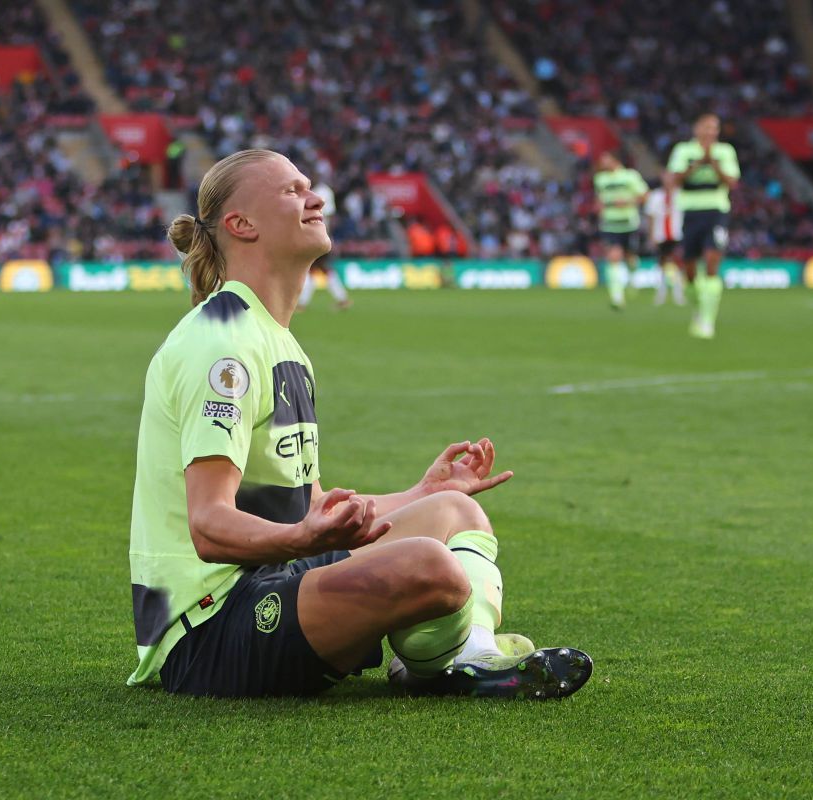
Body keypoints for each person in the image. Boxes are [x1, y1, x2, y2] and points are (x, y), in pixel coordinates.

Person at [128, 149, 592, 699]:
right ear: (241, 224)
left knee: (455, 510)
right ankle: (453, 661)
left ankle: (461, 657)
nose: (316, 197)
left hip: (274, 576)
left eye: (309, 185)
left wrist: (420, 492)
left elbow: (311, 507)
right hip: (209, 629)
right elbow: (208, 526)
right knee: (430, 566)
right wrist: (301, 538)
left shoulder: (279, 340)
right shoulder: (222, 342)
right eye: (292, 191)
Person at [665, 114, 740, 338]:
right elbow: (673, 181)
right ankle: (699, 308)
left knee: (711, 261)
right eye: (707, 127)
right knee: (689, 268)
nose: (711, 132)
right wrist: (698, 164)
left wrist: (714, 164)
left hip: (716, 212)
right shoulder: (683, 151)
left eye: (714, 128)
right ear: (696, 128)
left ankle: (708, 321)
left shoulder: (725, 152)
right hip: (689, 212)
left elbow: (732, 183)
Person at [593, 151, 649, 310]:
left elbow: (645, 196)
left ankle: (632, 278)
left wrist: (627, 201)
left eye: (606, 159)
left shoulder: (630, 176)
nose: (603, 162)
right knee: (614, 256)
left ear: (615, 160)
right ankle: (616, 296)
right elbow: (599, 199)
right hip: (610, 224)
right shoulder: (600, 179)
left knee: (630, 256)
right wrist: (599, 206)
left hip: (629, 223)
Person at [296, 168, 351, 311]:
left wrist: (326, 236)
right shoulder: (316, 191)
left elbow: (327, 217)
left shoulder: (322, 192)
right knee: (319, 269)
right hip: (316, 236)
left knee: (311, 268)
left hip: (318, 236)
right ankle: (342, 299)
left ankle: (302, 303)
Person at [642, 185, 686, 306]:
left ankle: (679, 294)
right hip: (660, 235)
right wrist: (651, 236)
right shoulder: (655, 196)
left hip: (677, 234)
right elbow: (650, 216)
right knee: (661, 264)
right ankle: (661, 293)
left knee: (678, 264)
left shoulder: (681, 194)